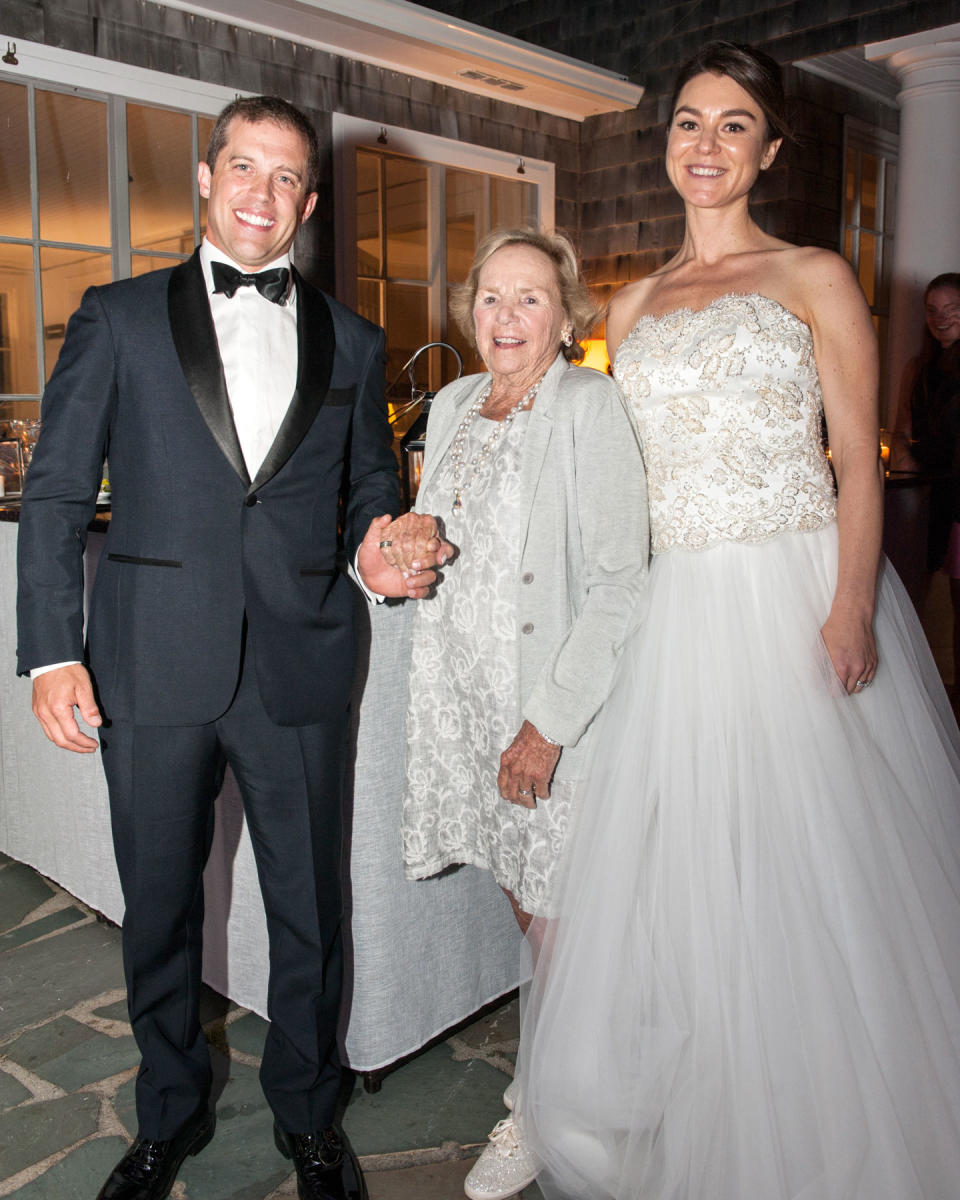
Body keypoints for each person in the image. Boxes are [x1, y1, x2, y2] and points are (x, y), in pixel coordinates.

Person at [516, 42, 960, 1200]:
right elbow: (617, 478)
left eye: (731, 126)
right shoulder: (633, 300)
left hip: (792, 591)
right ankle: (709, 1078)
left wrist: (852, 603)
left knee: (808, 857)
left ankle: (821, 1098)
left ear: (769, 150)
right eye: (687, 124)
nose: (704, 146)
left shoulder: (813, 274)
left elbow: (858, 465)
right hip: (675, 609)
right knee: (685, 863)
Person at [16, 95, 448, 1200]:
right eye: (243, 169)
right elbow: (60, 491)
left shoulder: (353, 339)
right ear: (207, 179)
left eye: (286, 177)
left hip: (301, 666)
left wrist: (381, 550)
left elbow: (365, 489)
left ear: (307, 199)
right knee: (158, 907)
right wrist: (49, 651)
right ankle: (168, 1117)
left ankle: (309, 1117)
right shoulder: (113, 317)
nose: (263, 194)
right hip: (150, 663)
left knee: (310, 909)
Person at [391, 227, 649, 1200]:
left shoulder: (590, 405)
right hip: (462, 704)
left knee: (563, 927)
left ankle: (555, 1109)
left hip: (545, 714)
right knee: (530, 909)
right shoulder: (453, 402)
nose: (506, 317)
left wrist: (547, 727)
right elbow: (444, 540)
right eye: (491, 298)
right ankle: (582, 1092)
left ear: (566, 312)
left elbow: (625, 582)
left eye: (529, 298)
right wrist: (408, 556)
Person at [894, 273, 960, 686]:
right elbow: (900, 430)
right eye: (933, 310)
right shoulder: (918, 367)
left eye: (951, 309)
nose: (941, 318)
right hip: (928, 495)